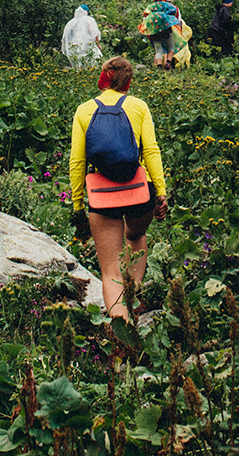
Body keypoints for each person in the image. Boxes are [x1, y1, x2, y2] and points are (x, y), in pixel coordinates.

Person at [69, 57, 168, 321]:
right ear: (128, 81)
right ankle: (132, 296)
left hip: (102, 198)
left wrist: (79, 204)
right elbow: (151, 151)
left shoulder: (84, 110)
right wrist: (160, 191)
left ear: (103, 78)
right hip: (138, 194)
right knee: (135, 236)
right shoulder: (138, 106)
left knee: (110, 270)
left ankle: (120, 329)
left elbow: (77, 161)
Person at [138, 0, 183, 69]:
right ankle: (168, 63)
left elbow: (145, 18)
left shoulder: (151, 7)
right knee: (171, 47)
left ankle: (159, 67)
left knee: (158, 50)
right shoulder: (167, 5)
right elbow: (174, 12)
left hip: (154, 31)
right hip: (166, 29)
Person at [61, 5, 103, 70]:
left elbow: (65, 37)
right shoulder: (89, 20)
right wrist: (98, 44)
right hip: (88, 46)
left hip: (74, 48)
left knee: (78, 67)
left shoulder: (70, 22)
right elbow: (94, 33)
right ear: (86, 12)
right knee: (92, 66)